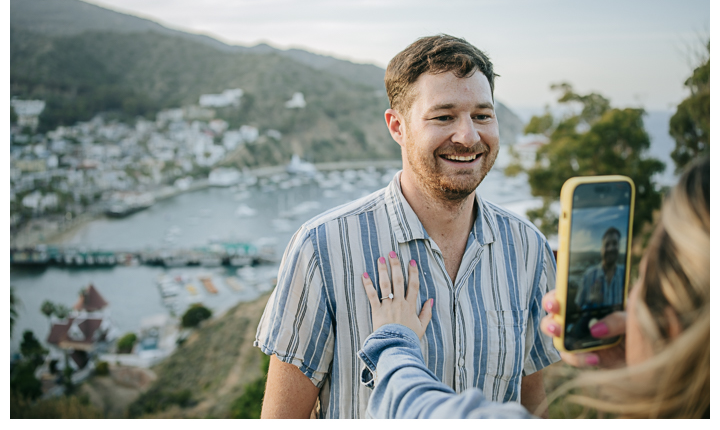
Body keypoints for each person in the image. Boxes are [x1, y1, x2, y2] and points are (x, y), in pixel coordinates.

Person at [255, 35, 560, 418]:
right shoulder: (323, 247)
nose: (468, 136)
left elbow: (532, 401)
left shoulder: (529, 248)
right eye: (444, 117)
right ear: (397, 126)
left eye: (482, 115)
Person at [355, 155, 709, 419]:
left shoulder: (527, 244)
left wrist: (393, 342)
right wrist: (645, 373)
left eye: (639, 284)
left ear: (669, 324)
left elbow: (424, 414)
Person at [575, 226, 625, 309]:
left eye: (614, 243)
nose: (611, 248)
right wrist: (591, 303)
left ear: (619, 246)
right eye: (607, 244)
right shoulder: (588, 276)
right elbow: (578, 307)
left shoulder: (625, 274)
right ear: (601, 249)